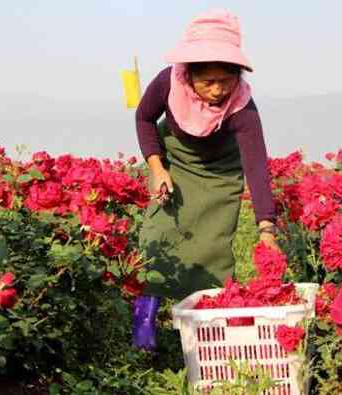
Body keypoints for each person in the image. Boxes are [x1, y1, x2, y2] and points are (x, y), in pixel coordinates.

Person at [132, 9, 279, 350]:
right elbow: (143, 118)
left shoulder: (243, 106)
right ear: (189, 74)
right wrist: (157, 168)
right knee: (158, 233)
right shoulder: (169, 82)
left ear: (237, 76)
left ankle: (209, 332)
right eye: (207, 81)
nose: (217, 90)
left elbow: (256, 165)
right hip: (176, 162)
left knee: (212, 248)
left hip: (221, 174)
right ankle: (145, 318)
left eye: (225, 81)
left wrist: (266, 228)